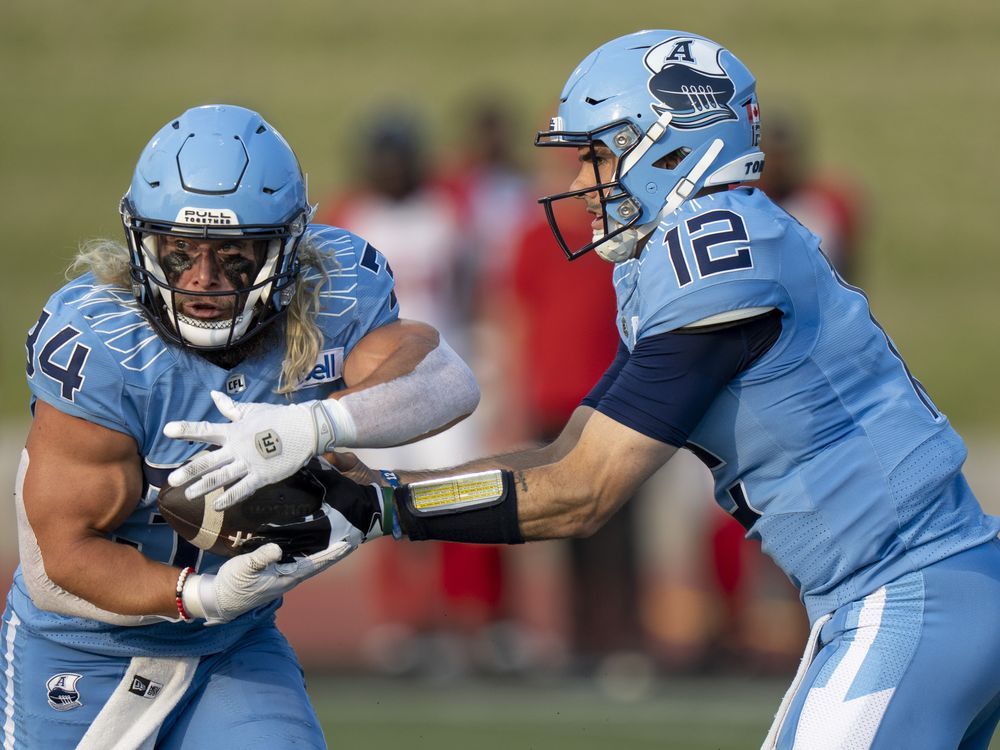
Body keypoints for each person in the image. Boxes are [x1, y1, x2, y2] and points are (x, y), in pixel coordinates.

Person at [172, 32, 1000, 749]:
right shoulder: (712, 246)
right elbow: (570, 450)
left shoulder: (714, 252)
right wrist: (379, 490)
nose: (583, 178)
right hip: (913, 593)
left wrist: (384, 508)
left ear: (674, 147)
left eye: (600, 153)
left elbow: (583, 492)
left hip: (906, 598)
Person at [1, 104, 479, 748]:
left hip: (231, 647)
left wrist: (316, 425)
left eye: (234, 256)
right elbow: (60, 560)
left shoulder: (332, 290)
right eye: (179, 254)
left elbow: (447, 383)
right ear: (144, 244)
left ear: (287, 250)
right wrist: (201, 595)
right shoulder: (103, 346)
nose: (204, 281)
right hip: (81, 649)